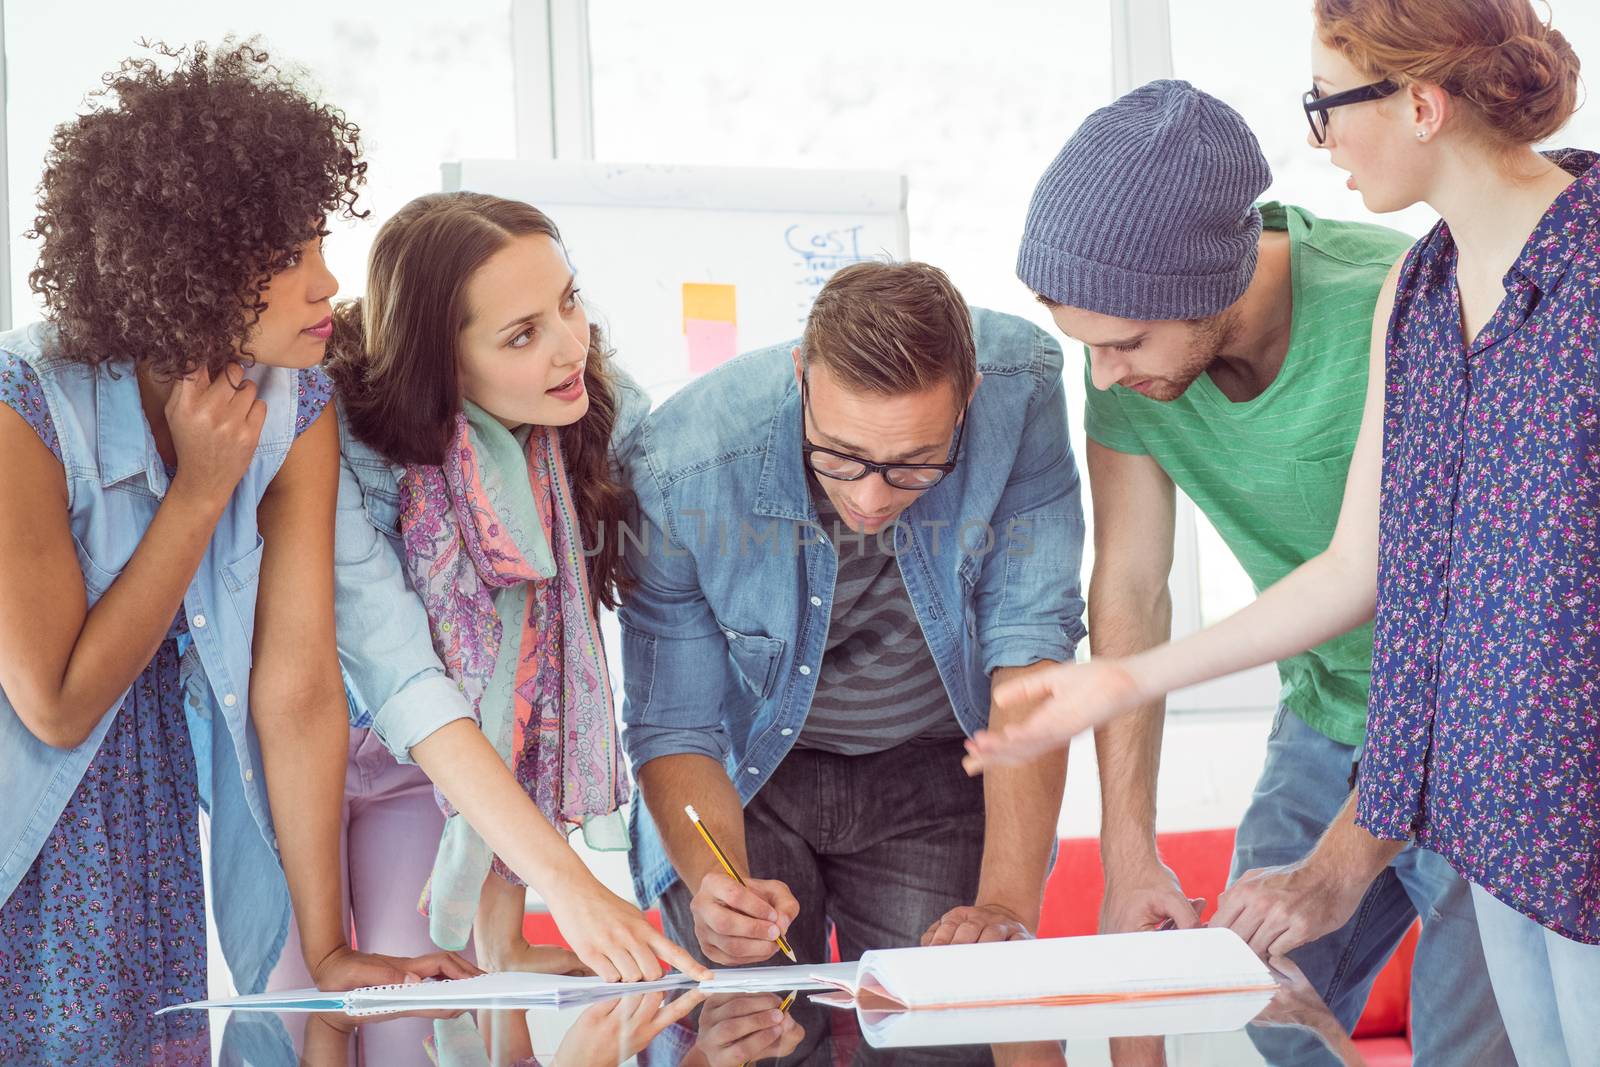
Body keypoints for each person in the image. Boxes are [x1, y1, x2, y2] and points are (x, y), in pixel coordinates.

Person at [971, 1, 1599, 1061]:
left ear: (1419, 101)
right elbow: (1359, 570)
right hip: (1420, 735)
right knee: (1258, 1002)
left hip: (1526, 756)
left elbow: (1450, 610)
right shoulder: (1425, 288)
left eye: (1324, 104)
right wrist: (1119, 684)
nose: (1313, 141)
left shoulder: (1488, 280)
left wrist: (1354, 850)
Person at [0, 41, 466, 1065]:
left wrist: (329, 944)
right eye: (292, 252)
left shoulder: (292, 403)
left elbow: (296, 692)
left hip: (148, 815)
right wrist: (201, 492)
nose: (329, 281)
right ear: (192, 262)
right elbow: (55, 700)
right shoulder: (21, 403)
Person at [620, 260, 1086, 973]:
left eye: (916, 463)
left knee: (942, 1037)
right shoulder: (680, 464)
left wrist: (1004, 906)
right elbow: (674, 721)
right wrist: (719, 887)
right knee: (756, 1036)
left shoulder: (1019, 388)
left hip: (937, 769)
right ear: (802, 375)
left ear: (969, 400)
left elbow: (1030, 639)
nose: (870, 499)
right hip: (745, 780)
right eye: (840, 456)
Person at [324, 191, 709, 986]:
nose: (572, 347)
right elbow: (413, 680)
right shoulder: (348, 446)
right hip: (329, 741)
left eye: (569, 301)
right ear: (443, 361)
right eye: (523, 334)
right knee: (324, 1016)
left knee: (430, 1020)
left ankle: (501, 941)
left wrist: (524, 925)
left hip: (434, 779)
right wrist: (570, 888)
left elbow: (522, 681)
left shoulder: (593, 402)